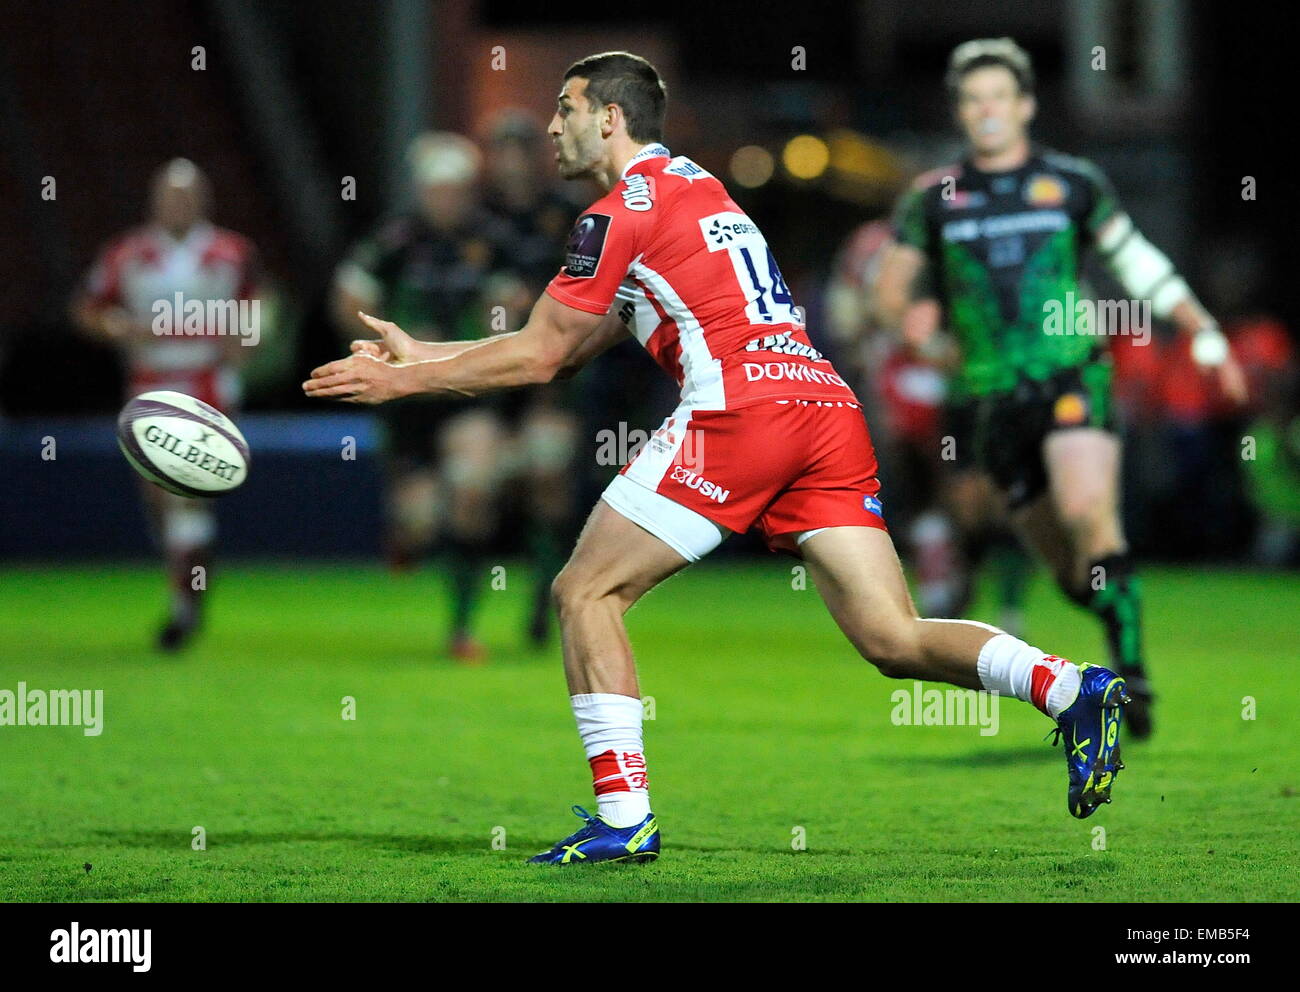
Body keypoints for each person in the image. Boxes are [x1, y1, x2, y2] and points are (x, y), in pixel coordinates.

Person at [305, 51, 1130, 864]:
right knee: (891, 636)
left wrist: (400, 386)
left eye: (565, 108)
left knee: (585, 589)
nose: (552, 126)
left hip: (742, 411)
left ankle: (624, 818)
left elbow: (540, 358)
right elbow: (571, 341)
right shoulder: (698, 189)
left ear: (610, 118)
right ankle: (1070, 687)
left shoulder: (617, 212)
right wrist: (417, 357)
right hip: (823, 407)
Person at [873, 38, 1248, 739]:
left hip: (1072, 376)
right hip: (991, 401)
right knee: (1077, 573)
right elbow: (889, 291)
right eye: (972, 98)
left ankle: (1131, 681)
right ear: (961, 110)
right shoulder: (934, 199)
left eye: (999, 97)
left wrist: (1203, 334)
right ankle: (1106, 624)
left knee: (1088, 513)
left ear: (1026, 106)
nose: (987, 110)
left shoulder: (1072, 182)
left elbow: (1135, 260)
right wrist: (916, 326)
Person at [332, 132, 522, 661]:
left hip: (466, 388)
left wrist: (486, 334)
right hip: (407, 400)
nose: (446, 200)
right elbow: (348, 297)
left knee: (472, 490)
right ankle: (407, 538)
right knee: (419, 520)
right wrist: (375, 338)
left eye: (456, 189)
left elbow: (512, 307)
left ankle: (462, 629)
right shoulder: (394, 239)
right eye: (437, 190)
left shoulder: (492, 239)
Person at [73, 158, 259, 651]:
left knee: (184, 493)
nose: (179, 205)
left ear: (203, 200)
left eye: (188, 196)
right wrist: (117, 328)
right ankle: (190, 585)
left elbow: (255, 308)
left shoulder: (231, 251)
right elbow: (90, 309)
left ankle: (184, 606)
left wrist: (246, 340)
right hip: (149, 384)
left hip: (206, 384)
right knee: (161, 502)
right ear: (155, 201)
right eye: (170, 196)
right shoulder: (127, 253)